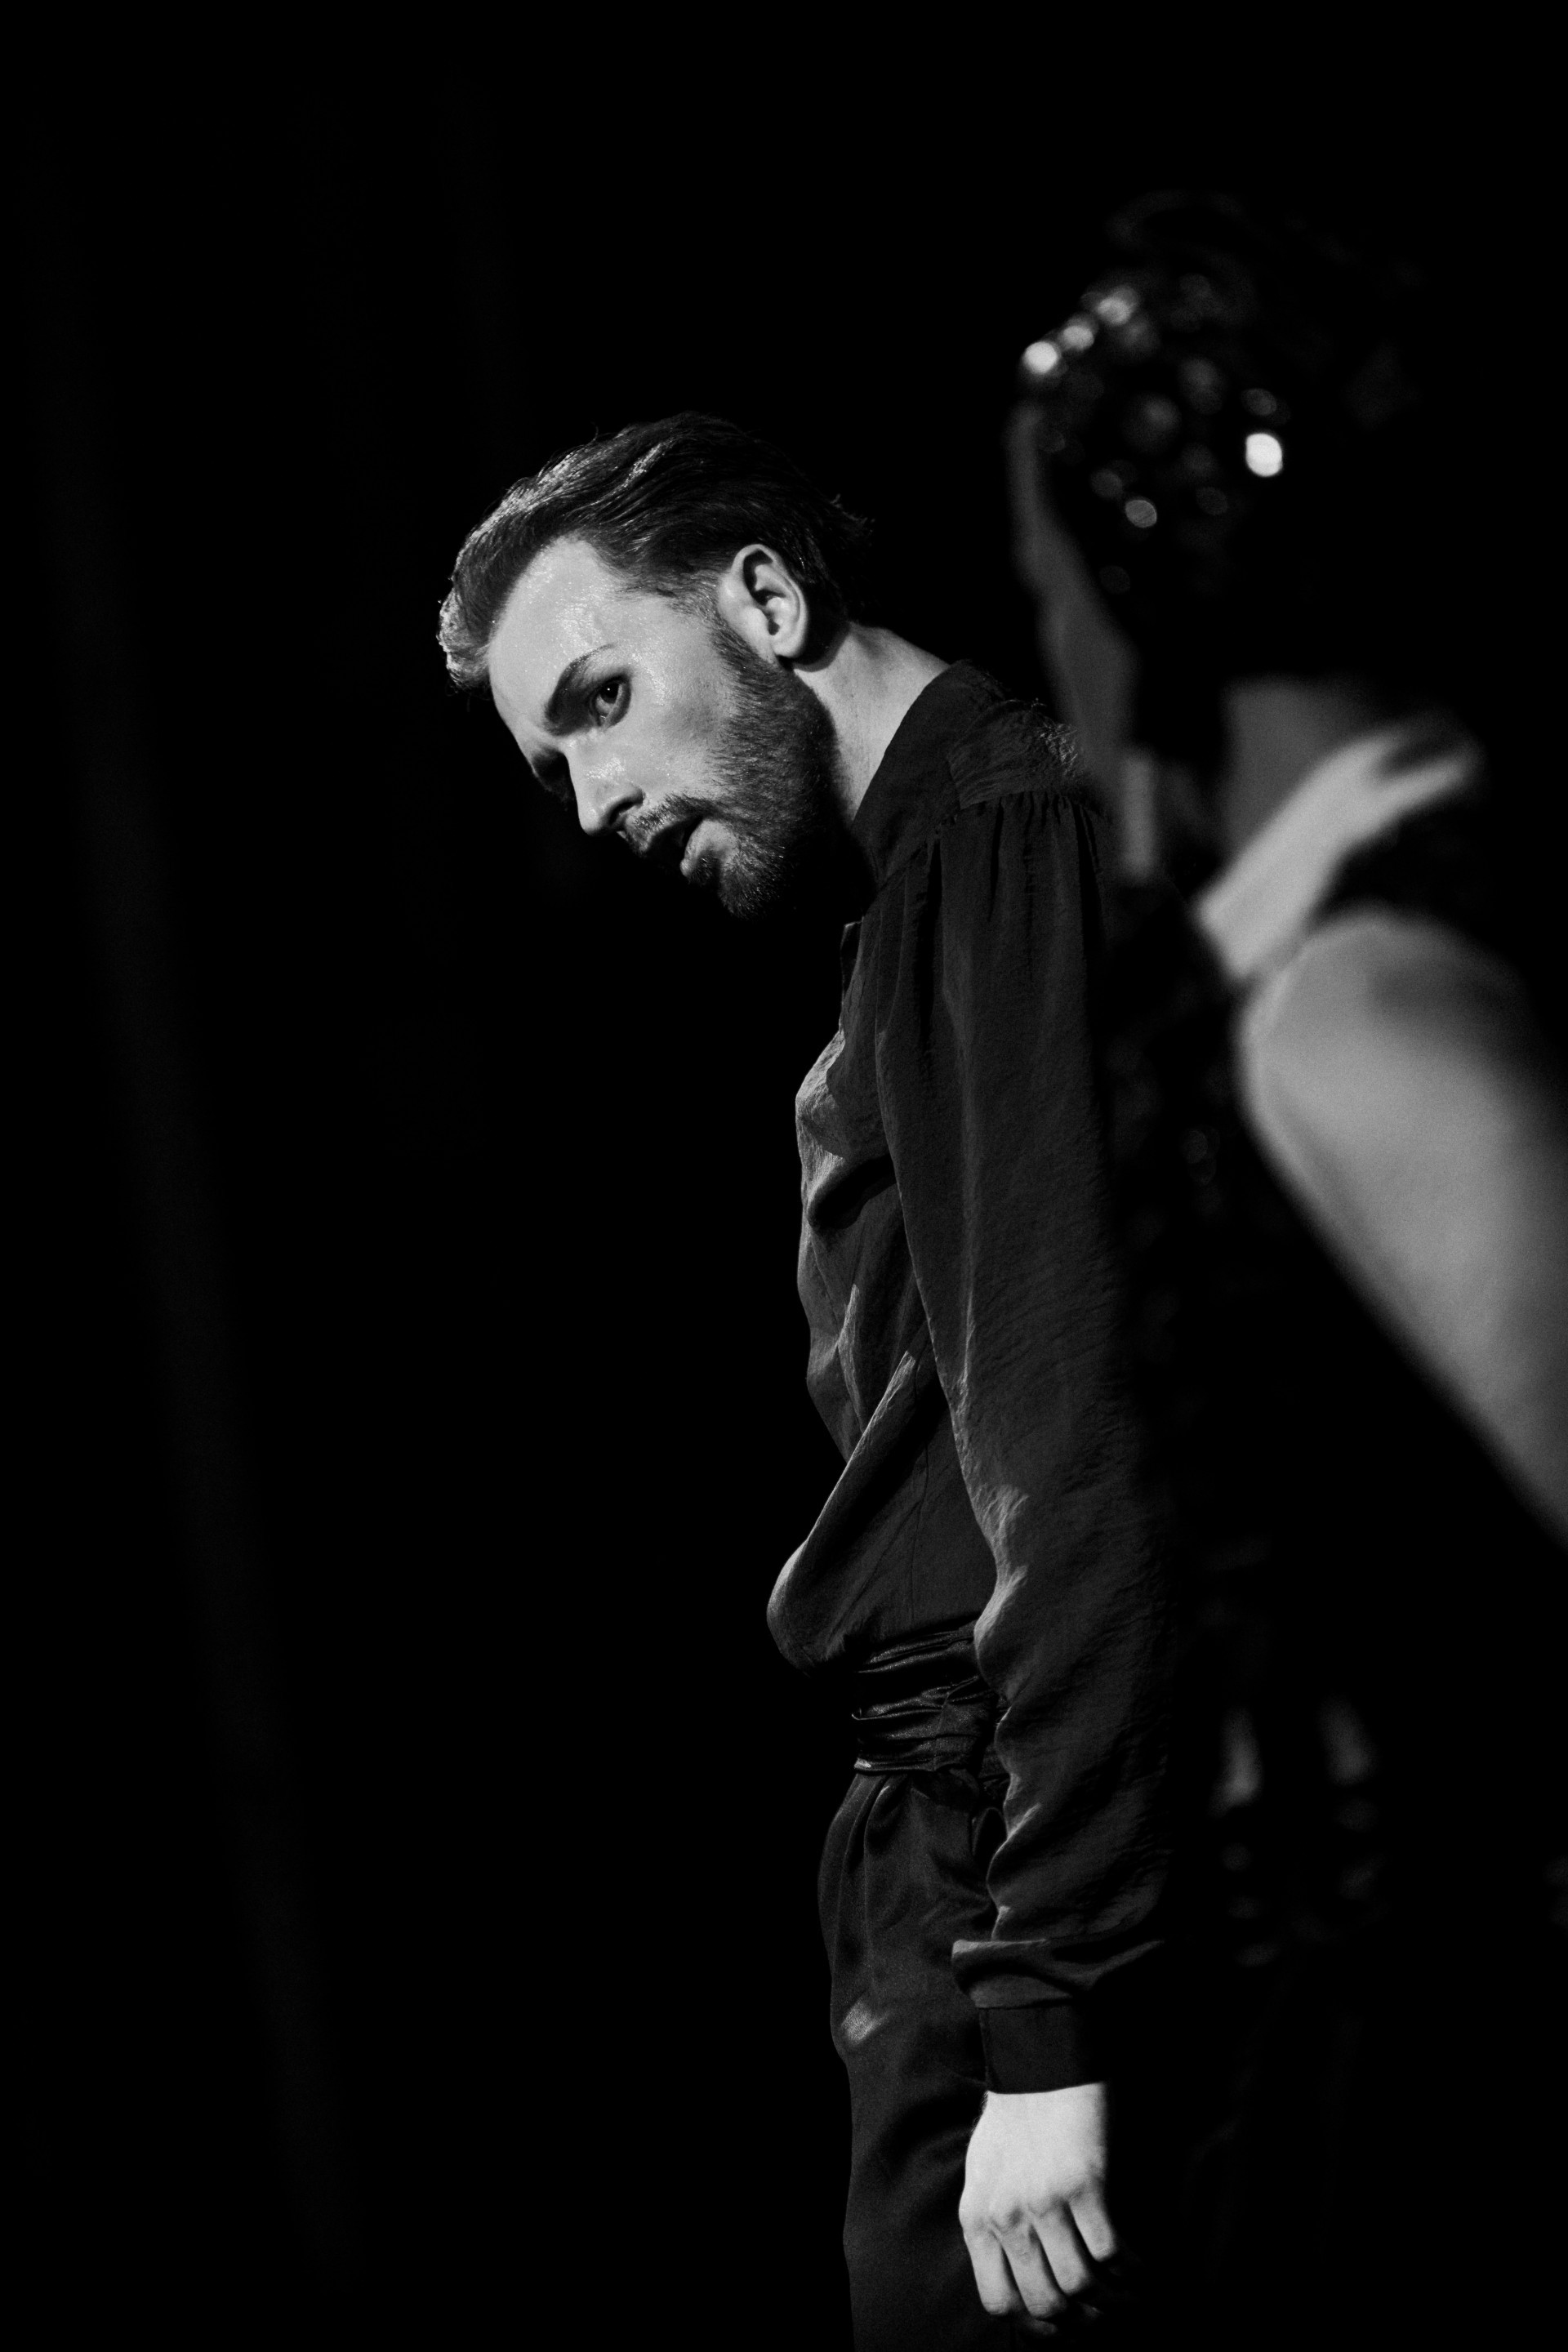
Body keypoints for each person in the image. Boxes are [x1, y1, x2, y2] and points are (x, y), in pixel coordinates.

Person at [439, 416, 1168, 2345]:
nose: (592, 802)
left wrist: (1045, 2012)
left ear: (767, 599)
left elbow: (1066, 1438)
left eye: (603, 701)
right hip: (966, 1852)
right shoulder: (926, 893)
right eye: (550, 764)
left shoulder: (993, 850)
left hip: (1008, 1853)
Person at [1009, 195, 1568, 2345]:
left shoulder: (1365, 1002)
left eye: (1049, 589)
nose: (1050, 661)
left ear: (1155, 589)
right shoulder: (1313, 971)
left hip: (1461, 2079)